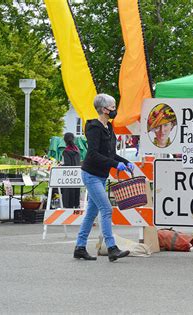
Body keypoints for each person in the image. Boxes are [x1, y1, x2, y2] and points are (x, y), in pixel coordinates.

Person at [74, 94, 133, 262]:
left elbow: (111, 153)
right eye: (113, 107)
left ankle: (79, 247)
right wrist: (115, 165)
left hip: (100, 176)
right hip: (91, 175)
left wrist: (125, 162)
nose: (115, 109)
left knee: (91, 213)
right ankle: (112, 248)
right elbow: (93, 154)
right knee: (107, 209)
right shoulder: (94, 128)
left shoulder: (109, 127)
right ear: (104, 109)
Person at [61, 132, 81, 208]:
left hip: (68, 176)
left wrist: (60, 166)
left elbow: (67, 165)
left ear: (65, 140)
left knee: (68, 194)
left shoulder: (66, 151)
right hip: (76, 175)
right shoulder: (77, 150)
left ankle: (67, 208)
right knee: (76, 192)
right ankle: (76, 206)